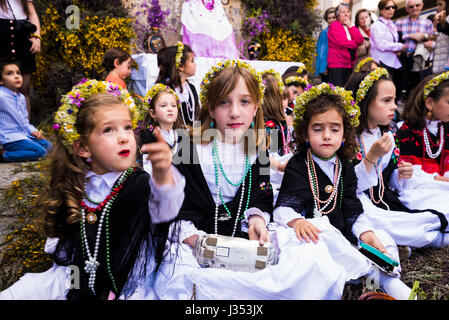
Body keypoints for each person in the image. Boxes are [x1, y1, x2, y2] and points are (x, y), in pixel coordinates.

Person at [154, 60, 351, 300]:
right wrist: (196, 240)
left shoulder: (257, 148)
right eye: (224, 102)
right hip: (194, 240)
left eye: (244, 102)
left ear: (257, 106)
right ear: (211, 107)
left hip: (242, 240)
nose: (235, 112)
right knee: (177, 272)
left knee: (309, 248)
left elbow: (262, 194)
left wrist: (257, 218)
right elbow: (172, 209)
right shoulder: (189, 148)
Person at [0, 79, 185, 299]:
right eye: (108, 130)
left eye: (127, 127)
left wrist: (163, 176)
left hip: (127, 282)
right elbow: (67, 244)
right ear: (83, 148)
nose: (124, 137)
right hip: (76, 275)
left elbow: (166, 210)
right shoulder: (77, 185)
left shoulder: (138, 183)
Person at [273, 82, 412, 299]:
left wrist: (366, 233)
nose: (327, 135)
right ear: (305, 134)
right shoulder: (298, 165)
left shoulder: (345, 167)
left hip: (344, 236)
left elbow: (352, 207)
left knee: (381, 237)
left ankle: (383, 281)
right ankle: (371, 275)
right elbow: (284, 207)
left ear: (345, 134)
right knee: (322, 239)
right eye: (318, 129)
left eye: (335, 129)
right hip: (314, 237)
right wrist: (298, 221)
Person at [345, 68, 448, 249]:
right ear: (365, 102)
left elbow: (387, 175)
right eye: (386, 101)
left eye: (393, 100)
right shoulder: (348, 138)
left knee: (427, 210)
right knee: (385, 223)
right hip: (358, 202)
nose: (394, 106)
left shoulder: (388, 131)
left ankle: (425, 233)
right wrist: (371, 157)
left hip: (385, 199)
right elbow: (350, 186)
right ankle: (431, 236)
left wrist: (401, 174)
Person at [395, 72, 449, 217]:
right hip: (420, 193)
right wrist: (439, 179)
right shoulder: (407, 133)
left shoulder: (445, 128)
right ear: (430, 103)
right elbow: (406, 177)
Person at [0, 59, 51, 162]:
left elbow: (24, 121)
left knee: (49, 146)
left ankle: (24, 151)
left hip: (22, 135)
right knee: (40, 152)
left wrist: (33, 131)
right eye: (10, 73)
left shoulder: (21, 97)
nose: (16, 76)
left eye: (18, 73)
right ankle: (4, 155)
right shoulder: (1, 96)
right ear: (1, 80)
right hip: (9, 138)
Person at [0, 0, 41, 119]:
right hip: (2, 38)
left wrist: (36, 36)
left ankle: (26, 129)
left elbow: (32, 13)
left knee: (24, 88)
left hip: (22, 39)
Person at [139, 83, 182, 175]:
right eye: (163, 105)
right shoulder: (148, 137)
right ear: (152, 113)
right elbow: (149, 170)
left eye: (174, 105)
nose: (170, 109)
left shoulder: (181, 136)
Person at [395, 0, 435, 101]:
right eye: (411, 6)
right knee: (401, 86)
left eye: (417, 5)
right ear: (406, 9)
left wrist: (426, 40)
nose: (414, 8)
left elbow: (432, 39)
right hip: (401, 58)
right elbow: (394, 39)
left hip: (419, 58)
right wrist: (411, 36)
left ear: (422, 6)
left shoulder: (427, 23)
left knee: (417, 85)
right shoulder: (399, 23)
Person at [155, 41, 199, 129]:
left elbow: (196, 113)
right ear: (181, 67)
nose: (195, 64)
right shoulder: (165, 89)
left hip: (191, 137)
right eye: (192, 61)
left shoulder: (191, 88)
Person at [370, 0, 404, 99]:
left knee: (394, 89)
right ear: (381, 10)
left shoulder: (392, 25)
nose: (391, 10)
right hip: (382, 61)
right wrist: (400, 46)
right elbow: (381, 45)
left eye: (393, 7)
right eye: (387, 8)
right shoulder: (377, 25)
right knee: (384, 91)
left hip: (393, 61)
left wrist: (397, 48)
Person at [327, 2, 364, 86]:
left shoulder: (351, 26)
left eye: (348, 12)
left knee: (347, 88)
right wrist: (356, 44)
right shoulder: (334, 25)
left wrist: (350, 25)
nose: (346, 14)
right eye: (343, 12)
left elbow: (360, 40)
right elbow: (342, 42)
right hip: (337, 63)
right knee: (337, 91)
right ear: (338, 15)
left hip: (349, 64)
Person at [316, 7, 336, 83]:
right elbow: (321, 52)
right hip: (327, 68)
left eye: (333, 17)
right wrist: (323, 68)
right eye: (329, 18)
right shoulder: (325, 33)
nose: (331, 20)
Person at [433, 2, 449, 73]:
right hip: (440, 67)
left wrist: (442, 22)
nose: (437, 7)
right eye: (437, 4)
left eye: (440, 4)